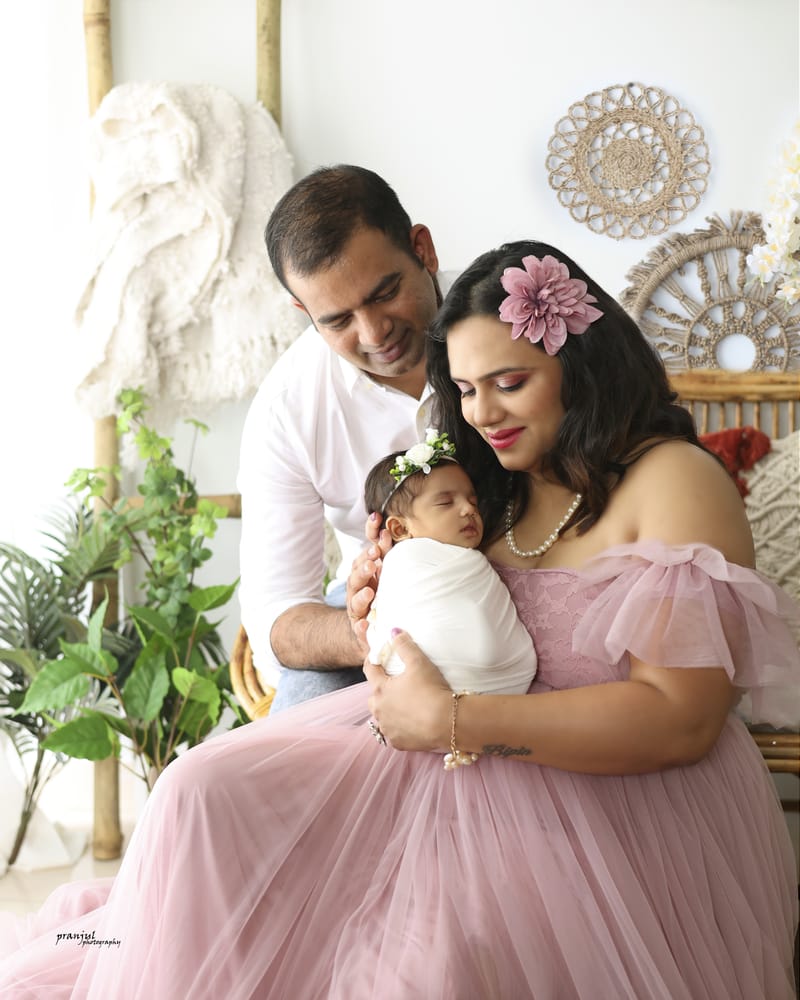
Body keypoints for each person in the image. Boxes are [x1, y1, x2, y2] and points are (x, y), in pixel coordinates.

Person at [1, 241, 798, 999]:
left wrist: (455, 720)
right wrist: (378, 598)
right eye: (466, 389)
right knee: (196, 791)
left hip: (608, 794)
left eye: (510, 382)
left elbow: (680, 721)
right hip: (447, 754)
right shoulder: (492, 481)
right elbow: (415, 607)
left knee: (409, 963)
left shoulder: (673, 479)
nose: (484, 413)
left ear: (577, 366)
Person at [238, 163, 448, 711]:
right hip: (377, 613)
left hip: (533, 574)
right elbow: (278, 619)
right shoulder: (286, 409)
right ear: (303, 312)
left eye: (385, 293)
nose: (374, 333)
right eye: (337, 320)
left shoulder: (513, 324)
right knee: (292, 749)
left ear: (421, 250)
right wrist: (367, 627)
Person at [363, 429, 536, 710]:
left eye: (473, 501)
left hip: (501, 692)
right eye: (445, 502)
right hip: (426, 689)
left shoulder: (471, 561)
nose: (468, 510)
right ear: (400, 528)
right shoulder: (406, 560)